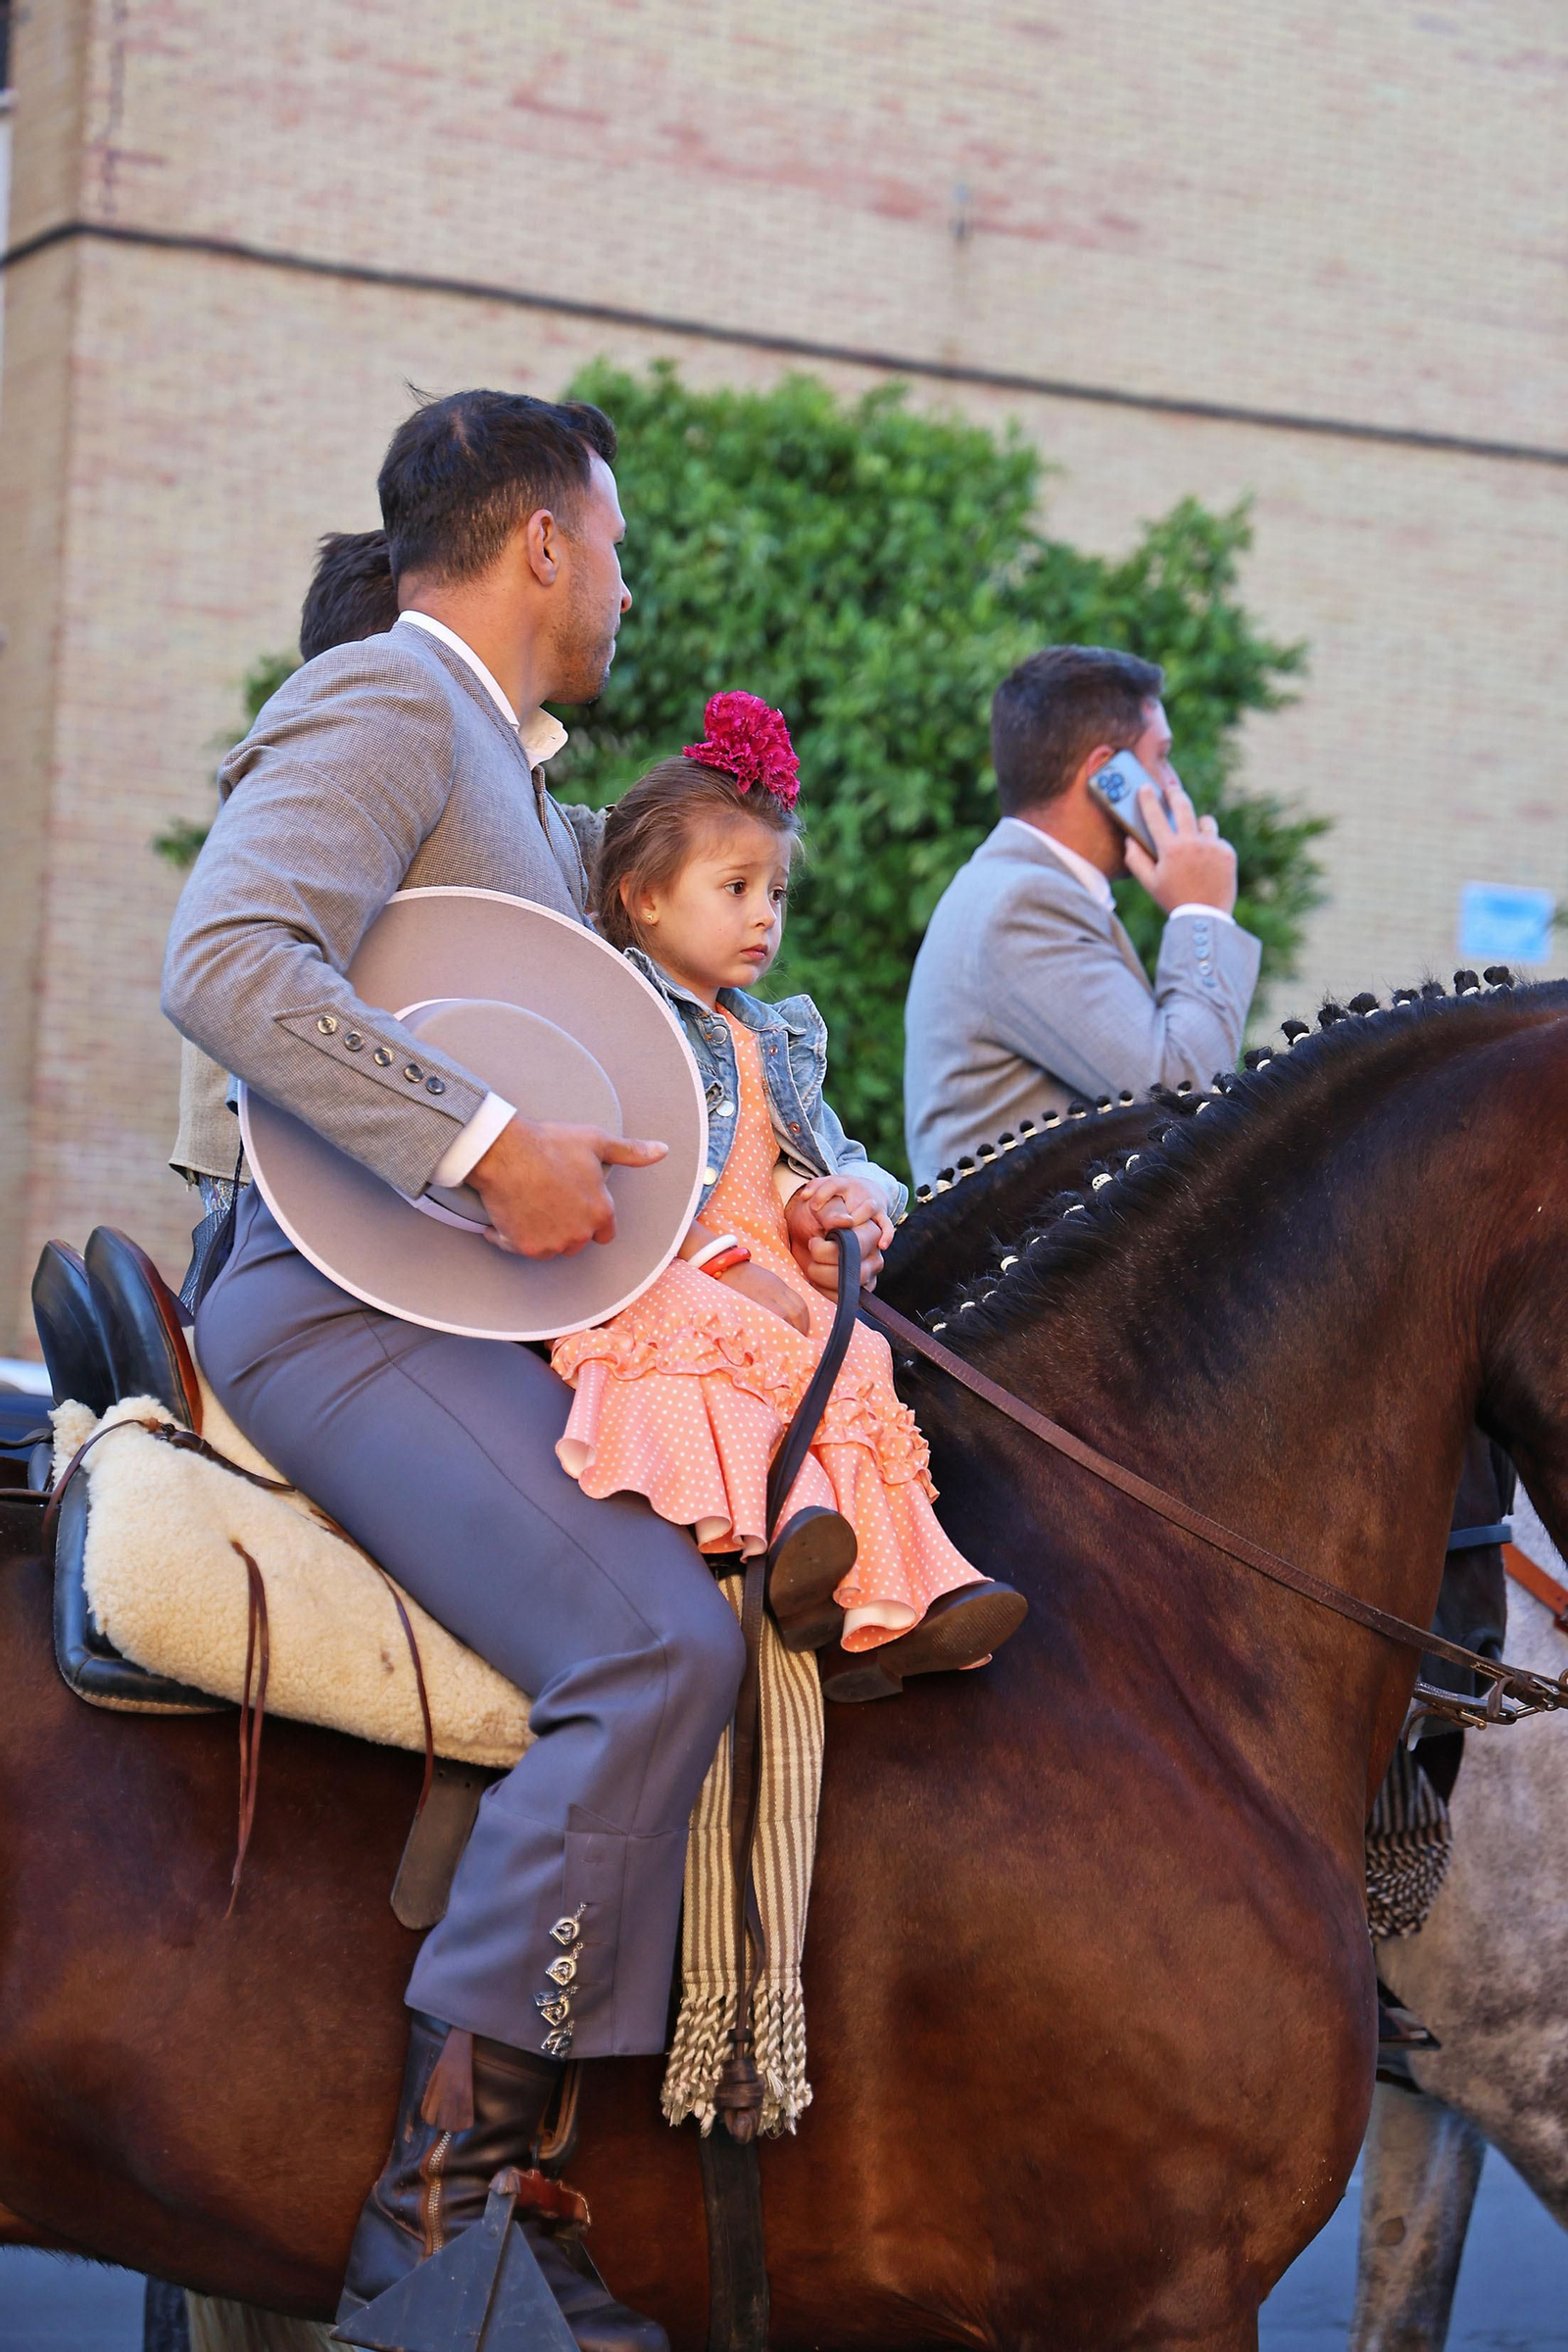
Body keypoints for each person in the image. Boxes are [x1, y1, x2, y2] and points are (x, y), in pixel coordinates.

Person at [164, 390, 906, 2349]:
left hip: (453, 1316)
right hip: (336, 1312)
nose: (634, 582)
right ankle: (447, 2195)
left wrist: (793, 1185)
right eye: (620, 541)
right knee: (653, 1643)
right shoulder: (396, 703)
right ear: (543, 547)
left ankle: (561, 2148)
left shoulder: (500, 759)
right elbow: (227, 959)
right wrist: (489, 1140)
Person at [550, 693, 1026, 1691]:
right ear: (641, 896)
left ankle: (898, 1590)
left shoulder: (768, 1035)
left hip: (768, 1272)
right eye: (734, 887)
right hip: (659, 1264)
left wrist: (848, 1195)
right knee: (729, 1321)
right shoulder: (620, 1015)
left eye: (774, 891)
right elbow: (620, 1184)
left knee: (858, 1346)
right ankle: (792, 1523)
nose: (764, 914)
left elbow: (834, 1153)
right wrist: (724, 1263)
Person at [902, 645, 1261, 1191]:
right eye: (1161, 758)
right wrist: (1202, 911)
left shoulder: (1019, 886)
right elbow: (1183, 1091)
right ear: (1106, 775)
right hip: (1018, 1267)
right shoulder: (1022, 906)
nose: (1175, 787)